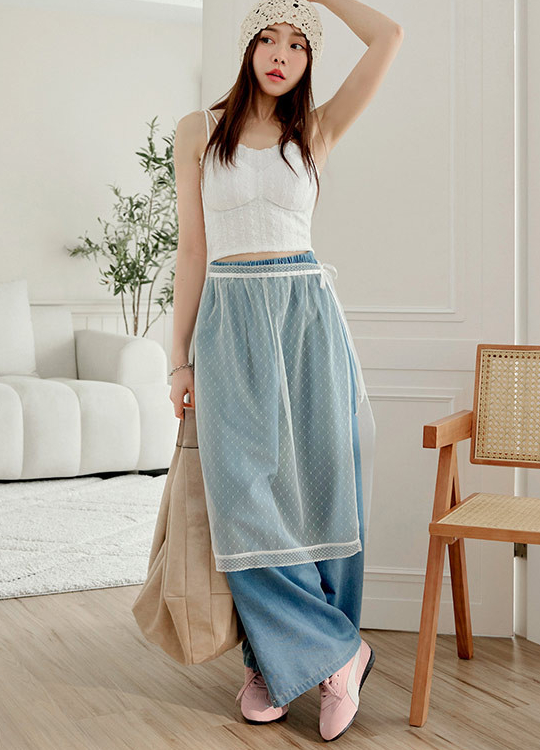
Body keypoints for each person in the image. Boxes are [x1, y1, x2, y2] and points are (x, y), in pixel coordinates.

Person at [168, 0, 403, 741]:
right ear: (247, 49)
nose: (280, 54)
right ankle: (331, 652)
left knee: (324, 496)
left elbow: (389, 36)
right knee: (244, 503)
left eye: (298, 44)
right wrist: (178, 360)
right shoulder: (198, 131)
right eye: (267, 38)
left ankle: (286, 664)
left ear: (309, 61)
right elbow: (192, 252)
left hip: (306, 322)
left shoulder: (318, 131)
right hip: (229, 325)